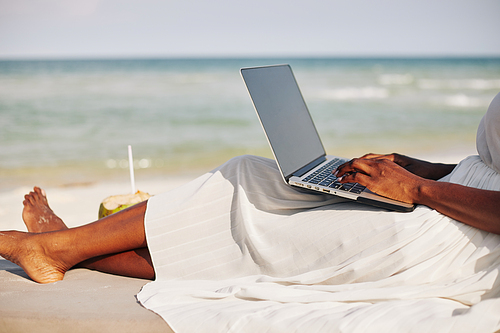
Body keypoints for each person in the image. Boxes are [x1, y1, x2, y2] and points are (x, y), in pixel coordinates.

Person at [1, 93, 500, 332]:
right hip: (449, 192)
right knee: (253, 174)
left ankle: (59, 247)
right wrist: (423, 167)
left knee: (258, 238)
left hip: (459, 228)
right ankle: (67, 244)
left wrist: (418, 189)